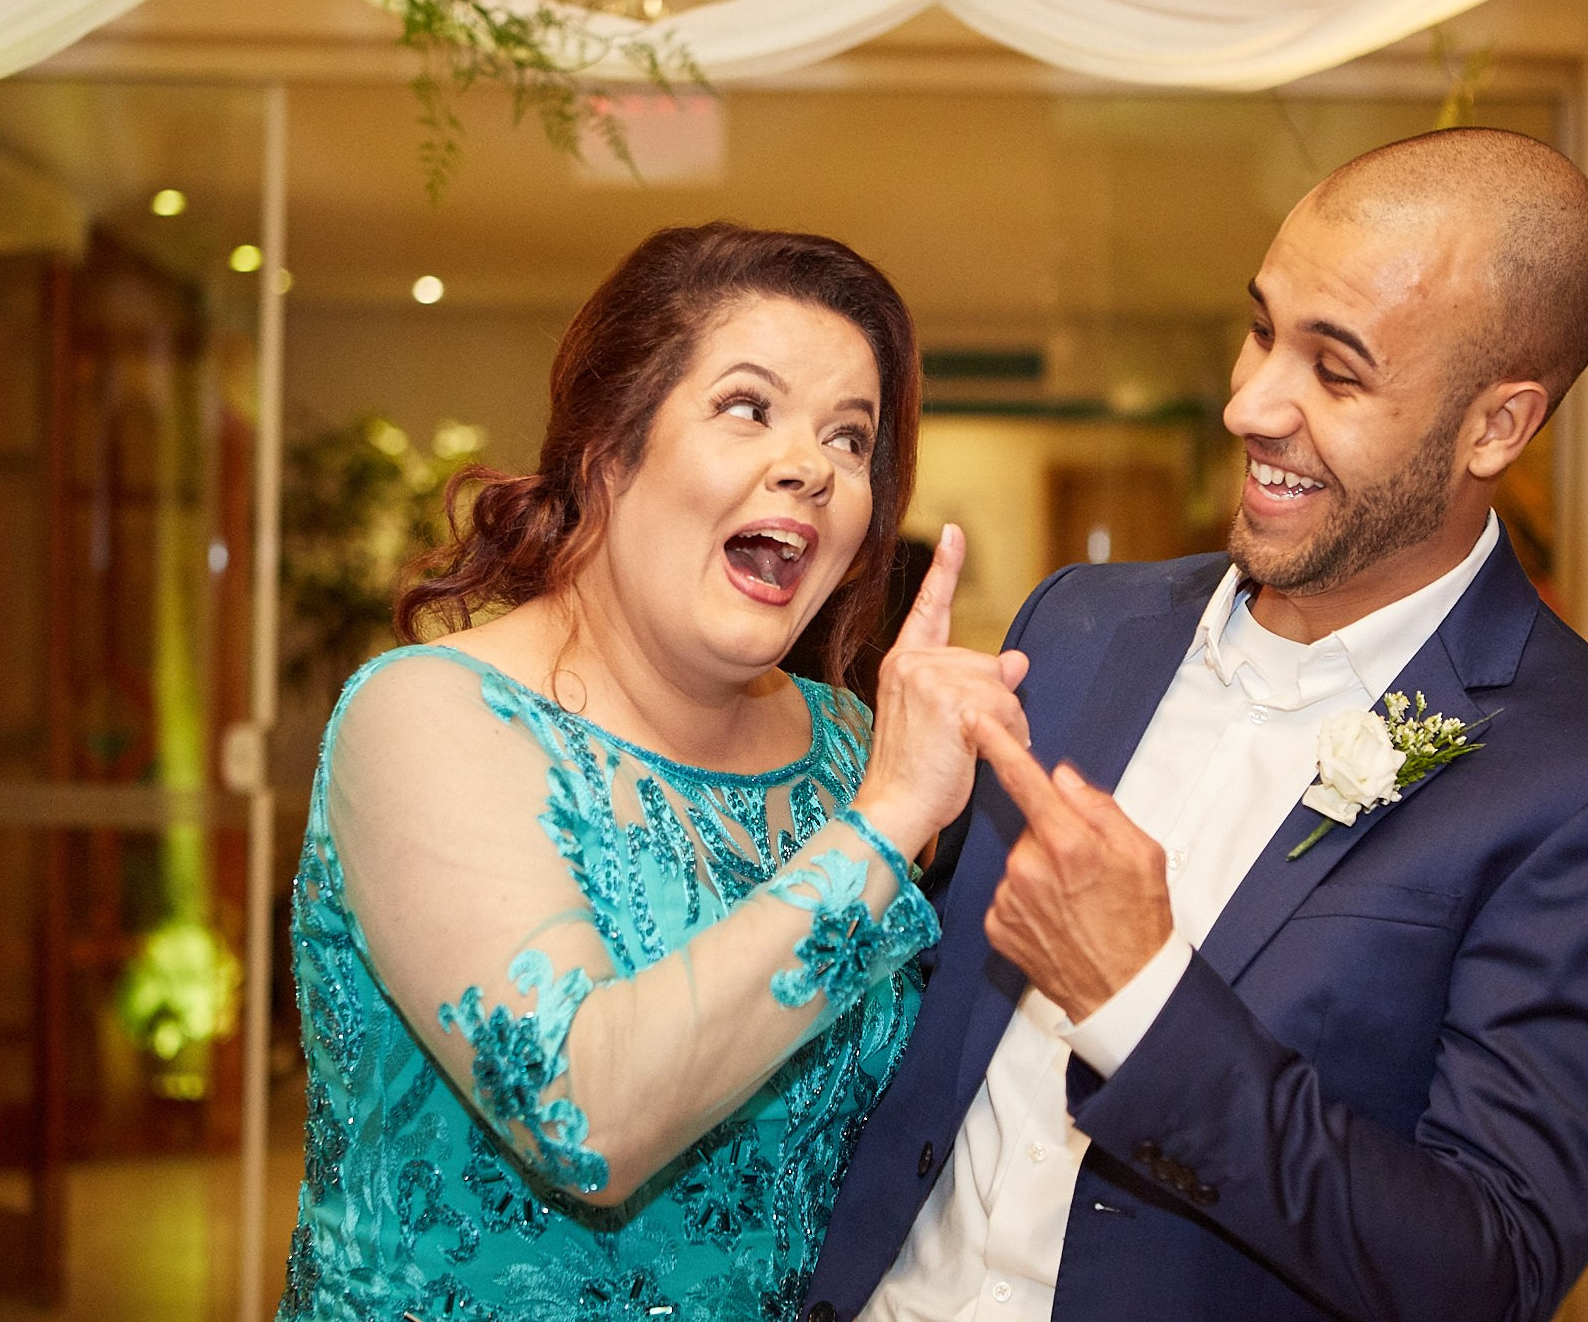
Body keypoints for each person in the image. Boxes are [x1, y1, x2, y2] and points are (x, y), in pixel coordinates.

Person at [804, 128, 1588, 1322]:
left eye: (1335, 373)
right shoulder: (1079, 624)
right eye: (1259, 329)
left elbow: (1483, 1273)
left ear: (1493, 427)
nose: (1247, 403)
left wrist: (1138, 1001)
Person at [275, 222, 1025, 1321]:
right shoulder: (428, 716)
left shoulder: (847, 749)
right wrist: (887, 823)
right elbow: (580, 1113)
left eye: (849, 439)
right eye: (747, 407)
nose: (809, 468)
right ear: (606, 444)